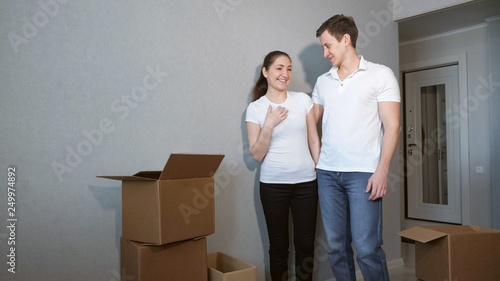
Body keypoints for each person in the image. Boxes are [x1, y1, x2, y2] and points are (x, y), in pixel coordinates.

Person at [312, 15, 401, 281]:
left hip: (363, 174)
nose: (325, 53)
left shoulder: (380, 74)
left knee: (366, 248)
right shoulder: (323, 82)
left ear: (346, 40)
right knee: (337, 249)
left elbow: (392, 126)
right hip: (328, 175)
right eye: (323, 48)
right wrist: (319, 161)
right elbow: (309, 121)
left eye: (328, 45)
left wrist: (382, 171)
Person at [246, 50, 320, 281]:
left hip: (307, 184)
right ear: (265, 72)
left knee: (306, 246)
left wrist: (321, 173)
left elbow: (313, 140)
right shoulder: (256, 109)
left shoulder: (303, 101)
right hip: (273, 186)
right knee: (278, 247)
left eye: (289, 68)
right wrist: (269, 125)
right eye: (279, 68)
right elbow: (257, 154)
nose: (285, 73)